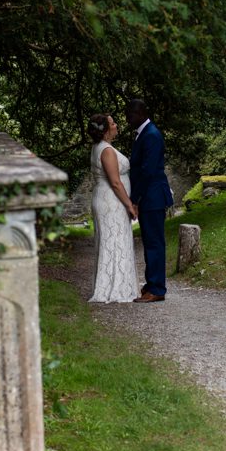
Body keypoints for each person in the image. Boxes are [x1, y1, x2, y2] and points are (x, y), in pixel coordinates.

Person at [86, 113, 139, 303]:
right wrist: (129, 205)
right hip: (111, 201)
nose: (116, 125)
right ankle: (115, 288)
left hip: (106, 199)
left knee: (112, 241)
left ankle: (113, 283)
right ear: (106, 130)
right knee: (115, 241)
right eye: (113, 123)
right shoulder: (106, 150)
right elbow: (115, 182)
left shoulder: (98, 147)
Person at [126, 99, 173, 303]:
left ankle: (157, 288)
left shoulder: (151, 135)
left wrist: (135, 199)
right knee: (150, 242)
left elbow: (147, 171)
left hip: (152, 197)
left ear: (141, 113)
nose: (128, 120)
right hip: (149, 196)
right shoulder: (143, 133)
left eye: (131, 115)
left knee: (154, 243)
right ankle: (151, 284)